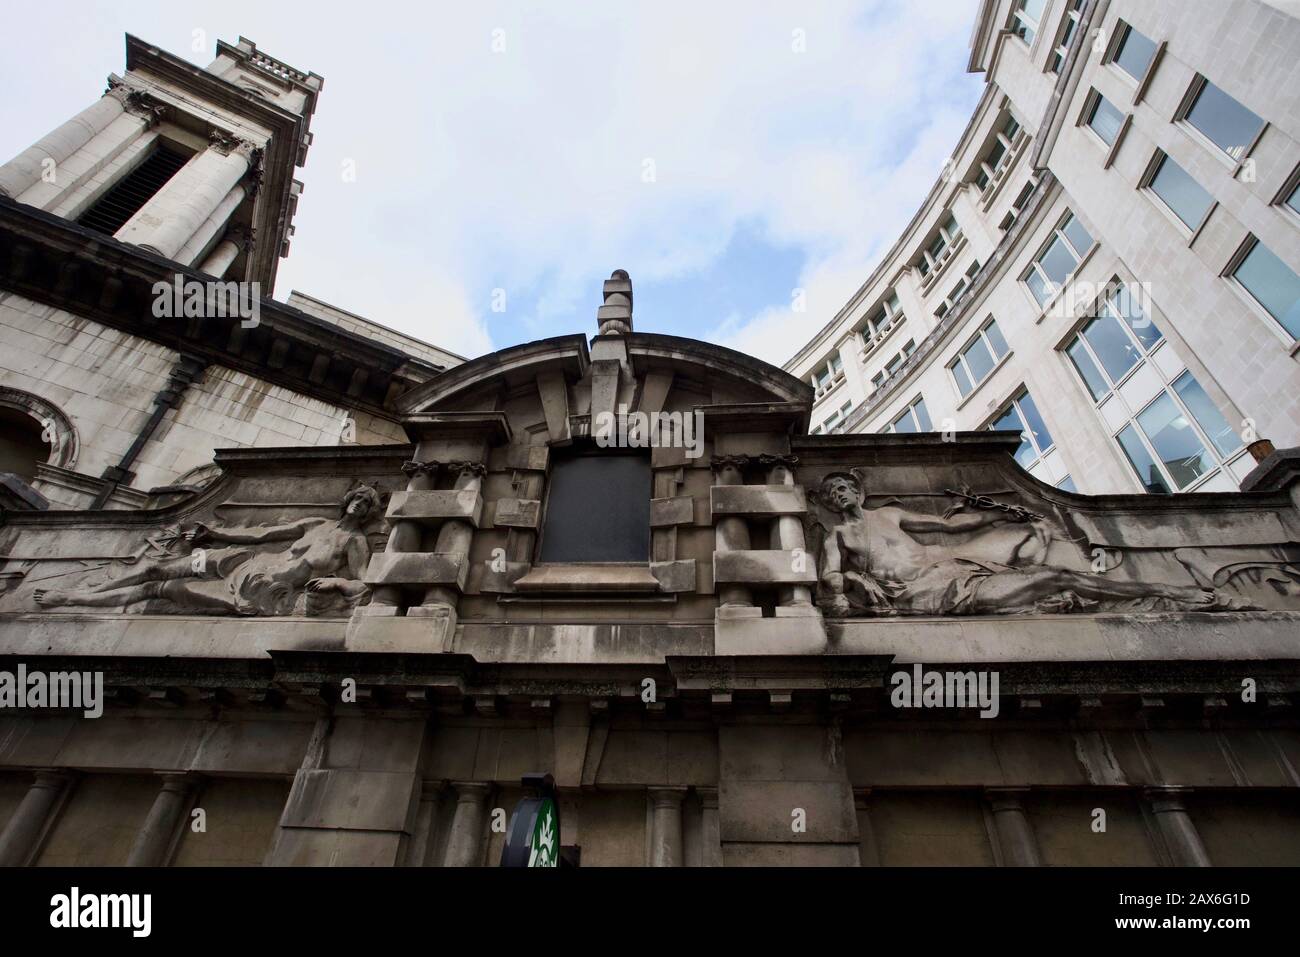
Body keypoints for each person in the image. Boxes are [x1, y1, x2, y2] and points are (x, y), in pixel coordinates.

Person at [814, 471, 1243, 616]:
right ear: (828, 505)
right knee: (1054, 578)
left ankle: (1168, 592)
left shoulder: (889, 514)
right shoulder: (838, 535)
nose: (840, 494)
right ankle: (1167, 591)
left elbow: (947, 529)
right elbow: (829, 573)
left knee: (1053, 577)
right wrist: (846, 579)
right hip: (920, 597)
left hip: (951, 576)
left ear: (860, 493)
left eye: (845, 487)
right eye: (832, 492)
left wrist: (995, 514)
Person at [34, 485, 378, 616]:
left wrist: (336, 584)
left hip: (262, 593)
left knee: (158, 589)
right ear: (347, 500)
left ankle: (70, 600)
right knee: (158, 568)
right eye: (358, 498)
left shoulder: (354, 543)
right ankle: (85, 589)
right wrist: (214, 531)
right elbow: (263, 534)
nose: (360, 504)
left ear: (371, 512)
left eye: (367, 503)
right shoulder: (314, 523)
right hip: (244, 561)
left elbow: (363, 584)